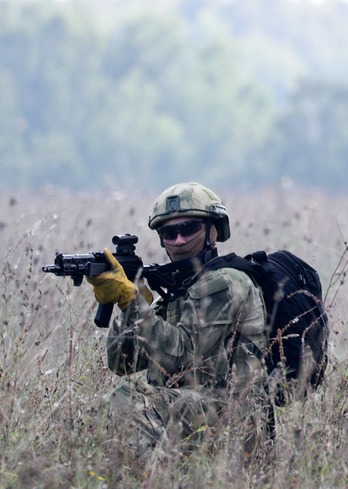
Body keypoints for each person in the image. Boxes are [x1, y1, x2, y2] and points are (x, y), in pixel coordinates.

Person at [87, 182, 272, 453]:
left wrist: (133, 302)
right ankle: (147, 473)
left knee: (128, 399)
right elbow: (122, 363)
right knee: (111, 406)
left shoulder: (225, 282)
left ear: (213, 230)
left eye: (188, 229)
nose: (179, 240)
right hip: (194, 410)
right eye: (169, 233)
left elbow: (183, 355)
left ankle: (151, 475)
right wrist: (131, 304)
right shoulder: (177, 292)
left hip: (236, 421)